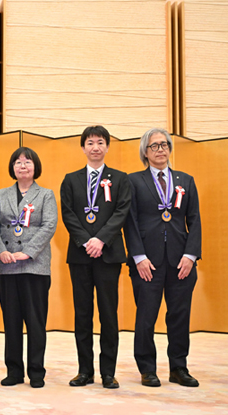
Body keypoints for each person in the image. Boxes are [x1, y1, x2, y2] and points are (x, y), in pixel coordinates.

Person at [124, 128, 201, 388]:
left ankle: (179, 368)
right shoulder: (133, 181)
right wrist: (138, 257)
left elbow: (194, 220)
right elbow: (130, 222)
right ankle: (147, 369)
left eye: (164, 144)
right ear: (145, 152)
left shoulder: (185, 180)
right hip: (147, 262)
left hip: (181, 262)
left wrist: (191, 255)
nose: (160, 149)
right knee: (146, 317)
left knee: (179, 316)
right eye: (154, 145)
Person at [60, 125, 131, 389]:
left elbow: (121, 212)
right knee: (82, 314)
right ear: (83, 148)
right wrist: (86, 241)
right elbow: (68, 214)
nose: (95, 147)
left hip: (108, 254)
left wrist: (100, 240)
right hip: (80, 255)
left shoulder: (120, 179)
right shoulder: (71, 179)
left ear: (107, 147)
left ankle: (108, 373)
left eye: (100, 142)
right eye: (90, 143)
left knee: (108, 314)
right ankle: (84, 371)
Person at [0, 147, 57, 388]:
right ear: (12, 168)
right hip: (6, 265)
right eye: (17, 162)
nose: (23, 166)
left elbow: (49, 225)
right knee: (11, 322)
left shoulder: (46, 194)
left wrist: (27, 252)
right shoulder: (0, 194)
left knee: (36, 322)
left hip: (35, 266)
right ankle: (14, 371)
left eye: (27, 161)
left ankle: (36, 372)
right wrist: (1, 251)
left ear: (35, 166)